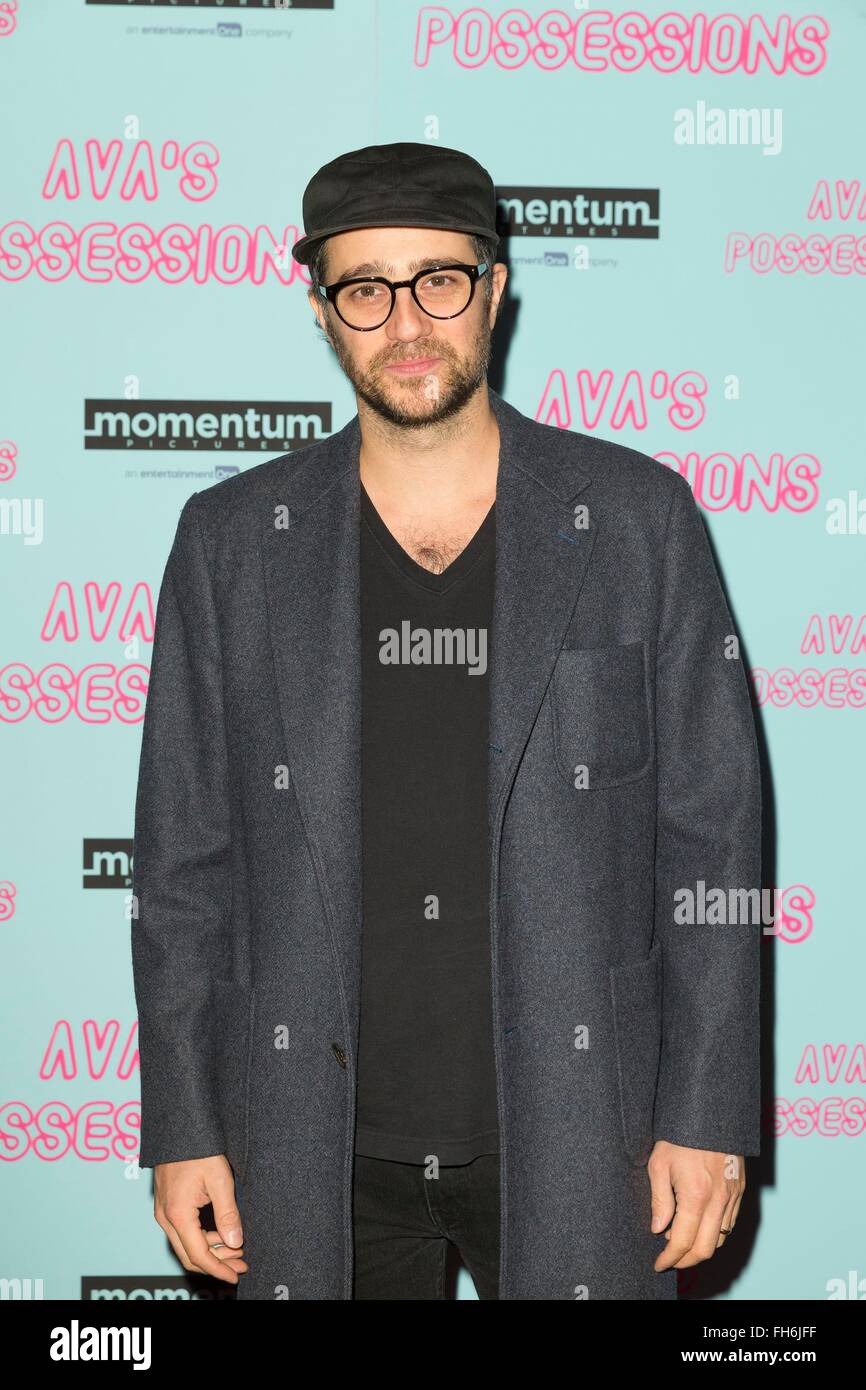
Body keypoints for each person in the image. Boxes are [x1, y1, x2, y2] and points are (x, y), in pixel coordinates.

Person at [131, 142, 762, 1301]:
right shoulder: (228, 543)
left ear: (494, 287)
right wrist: (181, 1121)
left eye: (438, 280)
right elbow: (182, 865)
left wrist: (709, 1113)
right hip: (309, 1140)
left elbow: (712, 842)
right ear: (323, 312)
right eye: (365, 289)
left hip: (587, 1130)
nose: (406, 321)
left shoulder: (633, 520)